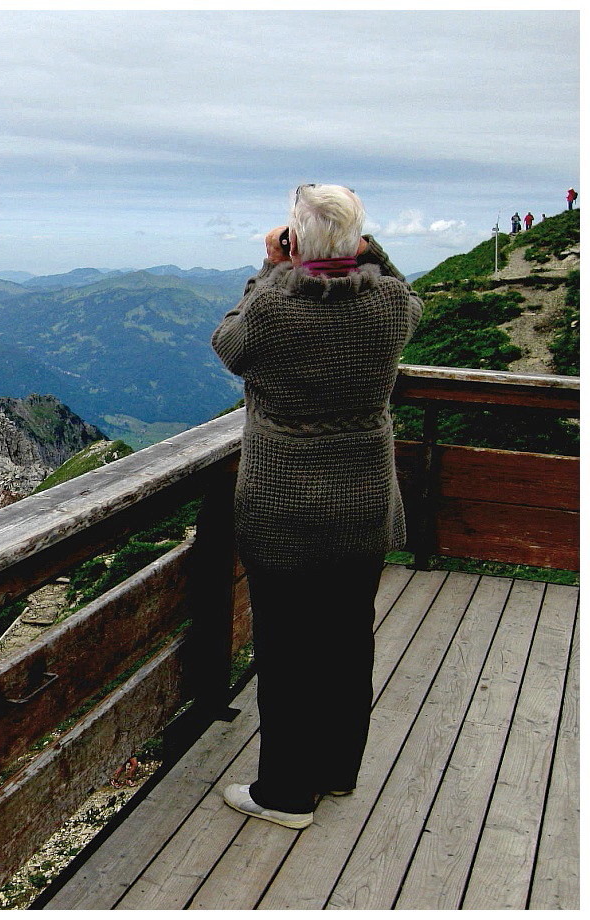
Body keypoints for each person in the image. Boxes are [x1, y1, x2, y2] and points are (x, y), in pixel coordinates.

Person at [210, 184, 423, 830]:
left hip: (283, 509)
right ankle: (334, 771)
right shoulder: (388, 305)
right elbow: (410, 295)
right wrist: (366, 251)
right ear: (358, 242)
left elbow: (227, 342)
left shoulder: (274, 311)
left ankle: (283, 793)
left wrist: (271, 268)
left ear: (295, 240)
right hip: (362, 505)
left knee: (286, 649)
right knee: (345, 639)